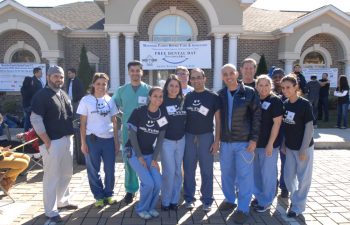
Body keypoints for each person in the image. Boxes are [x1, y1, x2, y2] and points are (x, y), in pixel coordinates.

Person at [30, 65, 77, 223]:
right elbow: (35, 119)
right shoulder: (41, 95)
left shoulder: (62, 93)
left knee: (66, 173)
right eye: (56, 76)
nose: (59, 79)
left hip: (66, 139)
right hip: (51, 142)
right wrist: (46, 140)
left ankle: (62, 202)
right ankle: (50, 211)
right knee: (51, 176)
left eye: (62, 77)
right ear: (49, 77)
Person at [217, 64, 261, 224]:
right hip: (226, 142)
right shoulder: (220, 94)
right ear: (222, 77)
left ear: (237, 74)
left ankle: (243, 208)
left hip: (244, 143)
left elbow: (257, 117)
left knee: (244, 177)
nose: (228, 76)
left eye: (231, 73)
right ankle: (230, 199)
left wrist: (254, 139)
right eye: (225, 74)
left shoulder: (249, 92)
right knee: (227, 174)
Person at [77, 73, 119, 208]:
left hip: (109, 140)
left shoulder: (110, 100)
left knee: (110, 169)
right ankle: (99, 196)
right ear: (93, 85)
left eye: (104, 84)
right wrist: (83, 143)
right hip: (92, 140)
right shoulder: (86, 100)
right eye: (98, 83)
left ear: (107, 85)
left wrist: (117, 142)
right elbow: (82, 123)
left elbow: (115, 122)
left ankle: (109, 194)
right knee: (93, 170)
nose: (101, 86)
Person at [112, 60, 151, 204]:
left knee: (145, 161)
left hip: (145, 132)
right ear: (128, 72)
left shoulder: (148, 90)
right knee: (129, 161)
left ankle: (146, 188)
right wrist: (123, 117)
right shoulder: (121, 90)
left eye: (138, 70)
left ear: (142, 72)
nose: (135, 73)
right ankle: (130, 189)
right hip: (127, 132)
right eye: (132, 71)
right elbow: (113, 107)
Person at [125, 87, 166, 220]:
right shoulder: (138, 112)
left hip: (149, 154)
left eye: (160, 96)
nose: (158, 99)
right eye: (155, 96)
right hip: (133, 152)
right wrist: (139, 156)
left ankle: (150, 207)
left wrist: (154, 159)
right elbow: (132, 135)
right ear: (149, 97)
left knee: (158, 182)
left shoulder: (162, 116)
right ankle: (141, 208)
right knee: (148, 183)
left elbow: (160, 140)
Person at [183, 68, 220, 212]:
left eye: (199, 77)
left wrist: (217, 141)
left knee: (206, 170)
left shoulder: (213, 96)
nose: (196, 80)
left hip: (206, 137)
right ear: (190, 80)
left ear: (205, 78)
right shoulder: (187, 97)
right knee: (189, 170)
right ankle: (189, 198)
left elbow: (218, 120)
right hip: (189, 137)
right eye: (193, 78)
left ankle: (207, 199)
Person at [281, 75, 314, 218]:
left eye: (288, 87)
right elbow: (284, 126)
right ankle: (296, 199)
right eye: (283, 88)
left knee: (303, 178)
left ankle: (298, 206)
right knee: (288, 177)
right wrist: (283, 144)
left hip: (303, 148)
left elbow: (309, 127)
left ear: (296, 87)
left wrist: (303, 149)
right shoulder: (285, 104)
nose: (285, 90)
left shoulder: (304, 104)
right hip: (289, 147)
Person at [253, 75, 283, 213]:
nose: (263, 88)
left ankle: (266, 200)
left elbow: (277, 124)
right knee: (256, 173)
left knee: (268, 174)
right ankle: (259, 197)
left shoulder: (275, 101)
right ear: (256, 86)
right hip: (255, 144)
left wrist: (270, 144)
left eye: (266, 85)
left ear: (271, 86)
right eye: (261, 85)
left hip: (268, 145)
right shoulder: (255, 99)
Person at [160, 75, 186, 211]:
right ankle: (165, 200)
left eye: (177, 86)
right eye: (171, 85)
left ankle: (174, 200)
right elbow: (158, 120)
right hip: (166, 142)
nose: (174, 88)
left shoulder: (183, 100)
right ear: (167, 87)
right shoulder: (162, 101)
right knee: (168, 171)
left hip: (181, 141)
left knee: (177, 171)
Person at [270, 68, 289, 198]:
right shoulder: (268, 94)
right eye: (275, 77)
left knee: (285, 161)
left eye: (280, 76)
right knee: (271, 162)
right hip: (270, 132)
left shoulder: (287, 94)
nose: (277, 79)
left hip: (284, 133)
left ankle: (284, 186)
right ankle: (273, 184)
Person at [21, 67, 44, 131]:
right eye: (40, 72)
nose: (42, 74)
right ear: (36, 73)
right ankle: (29, 132)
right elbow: (34, 94)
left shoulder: (23, 88)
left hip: (26, 105)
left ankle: (27, 131)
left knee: (28, 119)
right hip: (30, 105)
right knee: (30, 119)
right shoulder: (33, 82)